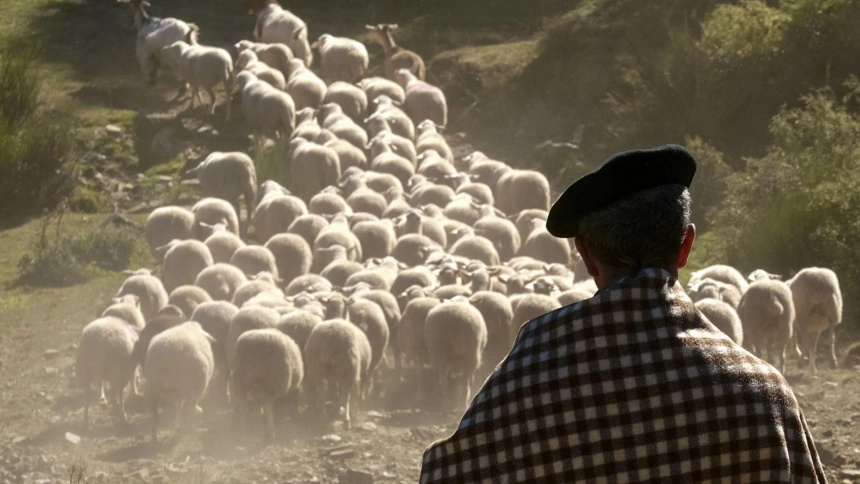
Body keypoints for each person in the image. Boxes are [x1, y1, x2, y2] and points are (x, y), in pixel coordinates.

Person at [419, 145, 826, 483]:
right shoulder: (764, 396)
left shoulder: (531, 368)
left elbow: (445, 473)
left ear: (586, 255)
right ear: (685, 247)